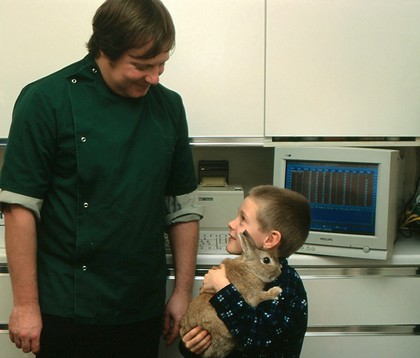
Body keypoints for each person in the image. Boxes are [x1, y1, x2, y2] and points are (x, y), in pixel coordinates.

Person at [0, 0, 203, 357]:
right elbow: (21, 207)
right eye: (142, 65)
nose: (154, 78)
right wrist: (25, 305)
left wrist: (183, 291)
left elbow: (181, 207)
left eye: (162, 65)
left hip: (141, 304)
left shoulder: (169, 106)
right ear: (105, 49)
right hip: (67, 303)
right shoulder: (46, 100)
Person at [180, 185, 311, 357]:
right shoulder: (237, 270)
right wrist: (191, 345)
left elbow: (256, 337)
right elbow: (217, 331)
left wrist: (223, 288)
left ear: (270, 239)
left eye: (242, 219)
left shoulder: (288, 284)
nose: (231, 223)